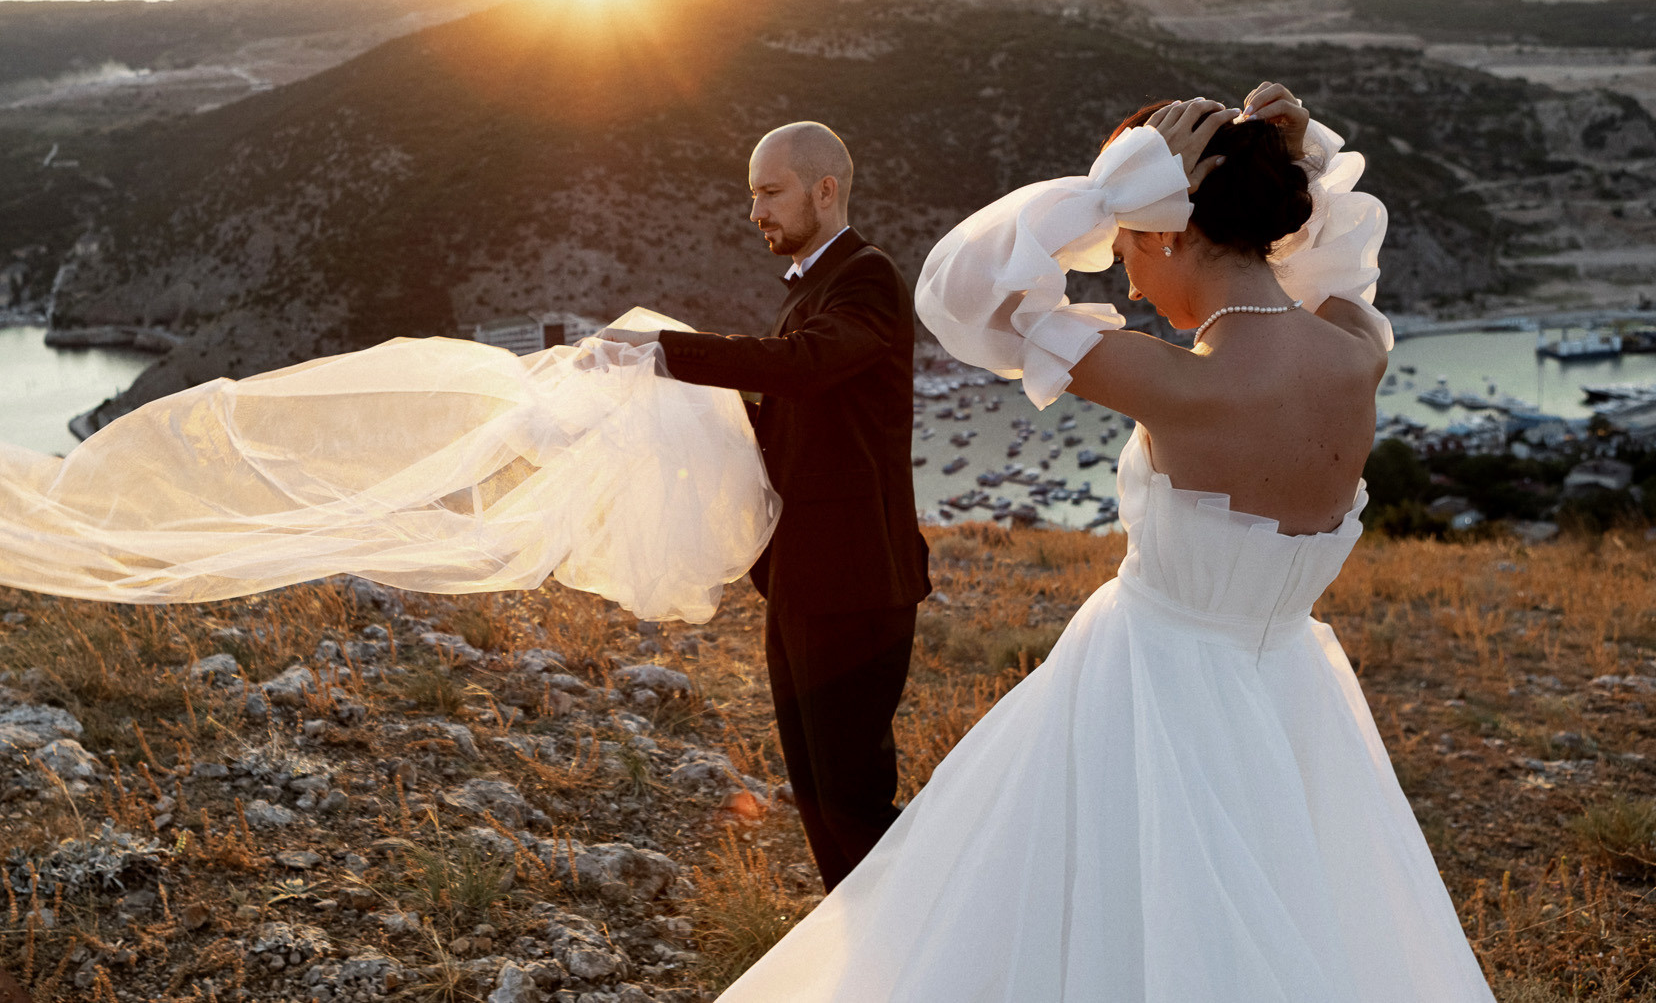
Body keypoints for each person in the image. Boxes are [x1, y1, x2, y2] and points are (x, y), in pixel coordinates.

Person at [719, 86, 1495, 1000]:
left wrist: (1111, 188)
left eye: (1125, 247)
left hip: (1145, 694)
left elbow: (959, 291)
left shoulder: (1178, 384)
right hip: (1292, 693)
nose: (1125, 282)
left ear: (1165, 231)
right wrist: (1299, 162)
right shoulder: (1358, 347)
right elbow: (1338, 267)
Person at [599, 121, 929, 891]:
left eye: (770, 192)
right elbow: (788, 419)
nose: (756, 213)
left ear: (825, 189)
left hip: (857, 583)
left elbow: (804, 365)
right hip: (801, 579)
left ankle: (925, 930)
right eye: (753, 196)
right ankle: (863, 933)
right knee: (815, 793)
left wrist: (664, 351)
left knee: (852, 799)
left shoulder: (868, 277)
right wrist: (671, 406)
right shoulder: (810, 287)